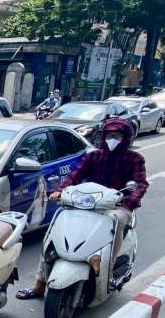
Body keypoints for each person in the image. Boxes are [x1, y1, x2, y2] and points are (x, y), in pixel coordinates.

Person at [17, 116, 148, 301]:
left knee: (114, 219)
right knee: (55, 232)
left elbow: (140, 183)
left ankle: (109, 270)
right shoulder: (93, 156)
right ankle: (40, 283)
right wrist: (59, 192)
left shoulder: (135, 159)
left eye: (118, 136)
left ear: (126, 137)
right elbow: (74, 177)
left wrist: (130, 200)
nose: (113, 140)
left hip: (116, 206)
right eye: (109, 135)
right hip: (87, 204)